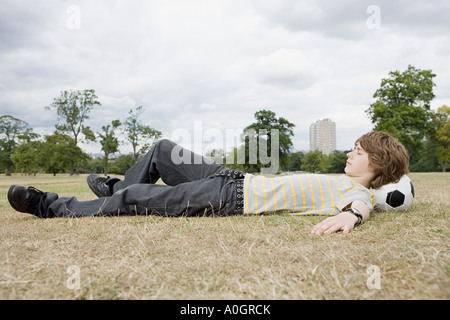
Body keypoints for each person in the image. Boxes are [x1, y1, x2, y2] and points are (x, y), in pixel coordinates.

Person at [7, 131, 409, 235]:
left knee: (136, 199)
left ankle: (51, 206)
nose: (348, 154)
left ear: (377, 162)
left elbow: (360, 207)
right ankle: (113, 187)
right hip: (230, 177)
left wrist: (351, 219)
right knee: (164, 150)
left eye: (357, 151)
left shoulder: (357, 192)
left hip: (227, 196)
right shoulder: (340, 178)